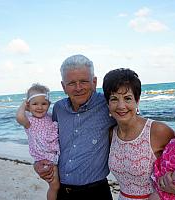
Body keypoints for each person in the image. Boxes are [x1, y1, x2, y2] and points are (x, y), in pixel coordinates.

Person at [34, 54, 116, 200]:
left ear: (94, 82)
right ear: (63, 87)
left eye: (84, 81)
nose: (78, 88)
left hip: (96, 192)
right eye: (71, 83)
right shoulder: (59, 108)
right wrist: (38, 163)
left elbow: (132, 124)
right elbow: (47, 141)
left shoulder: (108, 105)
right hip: (62, 191)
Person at [102, 68, 175, 200]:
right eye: (114, 99)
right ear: (108, 103)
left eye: (127, 98)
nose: (121, 106)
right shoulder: (112, 134)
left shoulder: (157, 130)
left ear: (137, 101)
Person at [16, 83, 60, 200]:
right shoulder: (29, 121)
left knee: (58, 184)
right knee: (54, 186)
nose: (39, 107)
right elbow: (19, 118)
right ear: (28, 105)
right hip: (44, 159)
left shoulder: (50, 117)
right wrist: (22, 106)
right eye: (35, 104)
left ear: (49, 105)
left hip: (55, 155)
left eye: (43, 104)